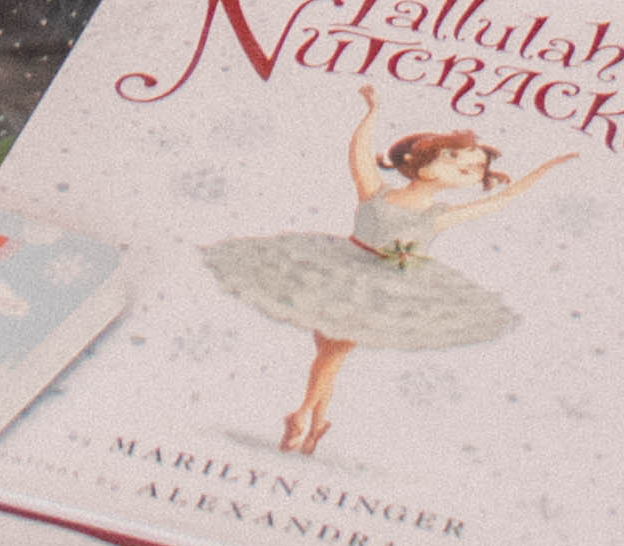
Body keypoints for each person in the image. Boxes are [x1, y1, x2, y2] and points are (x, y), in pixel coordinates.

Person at [202, 95, 575, 457]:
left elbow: (499, 200)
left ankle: (301, 415)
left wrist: (546, 167)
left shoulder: (437, 216)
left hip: (382, 293)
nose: (469, 172)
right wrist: (372, 113)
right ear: (417, 162)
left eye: (473, 169)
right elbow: (359, 154)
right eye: (458, 162)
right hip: (339, 272)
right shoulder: (376, 194)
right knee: (328, 355)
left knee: (332, 352)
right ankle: (317, 423)